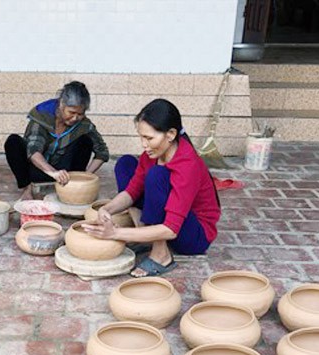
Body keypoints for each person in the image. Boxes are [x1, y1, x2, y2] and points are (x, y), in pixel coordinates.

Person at [82, 99, 221, 278]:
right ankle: (145, 232)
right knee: (125, 164)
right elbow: (132, 192)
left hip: (194, 235)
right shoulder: (152, 154)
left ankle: (160, 254)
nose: (144, 144)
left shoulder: (188, 164)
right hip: (168, 220)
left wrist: (115, 232)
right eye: (141, 137)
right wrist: (106, 208)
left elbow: (171, 229)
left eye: (149, 138)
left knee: (157, 175)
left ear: (170, 134)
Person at [4, 81, 109, 200]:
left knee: (85, 141)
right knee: (13, 142)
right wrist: (53, 172)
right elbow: (33, 150)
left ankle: (73, 186)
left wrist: (86, 176)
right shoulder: (42, 115)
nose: (75, 118)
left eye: (80, 114)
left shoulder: (84, 124)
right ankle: (27, 190)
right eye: (71, 112)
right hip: (37, 169)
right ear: (61, 105)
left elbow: (102, 151)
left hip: (64, 174)